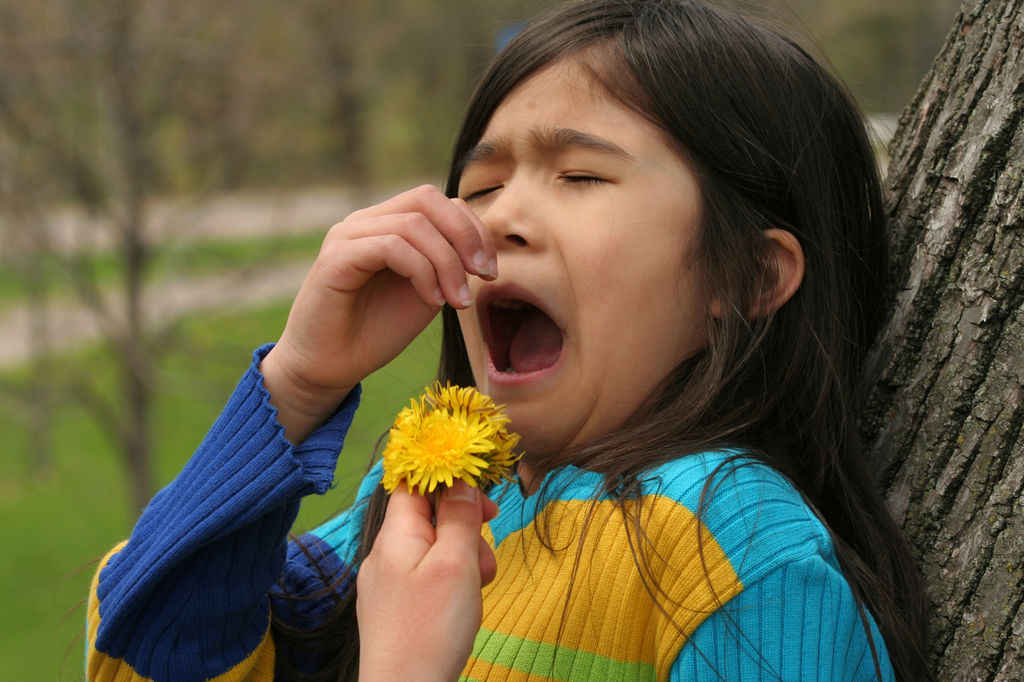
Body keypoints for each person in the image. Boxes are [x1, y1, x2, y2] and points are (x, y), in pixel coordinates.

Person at [86, 0, 933, 680]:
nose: (500, 221)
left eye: (581, 176)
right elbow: (157, 652)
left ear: (746, 277)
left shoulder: (735, 549)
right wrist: (299, 383)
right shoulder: (424, 503)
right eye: (482, 185)